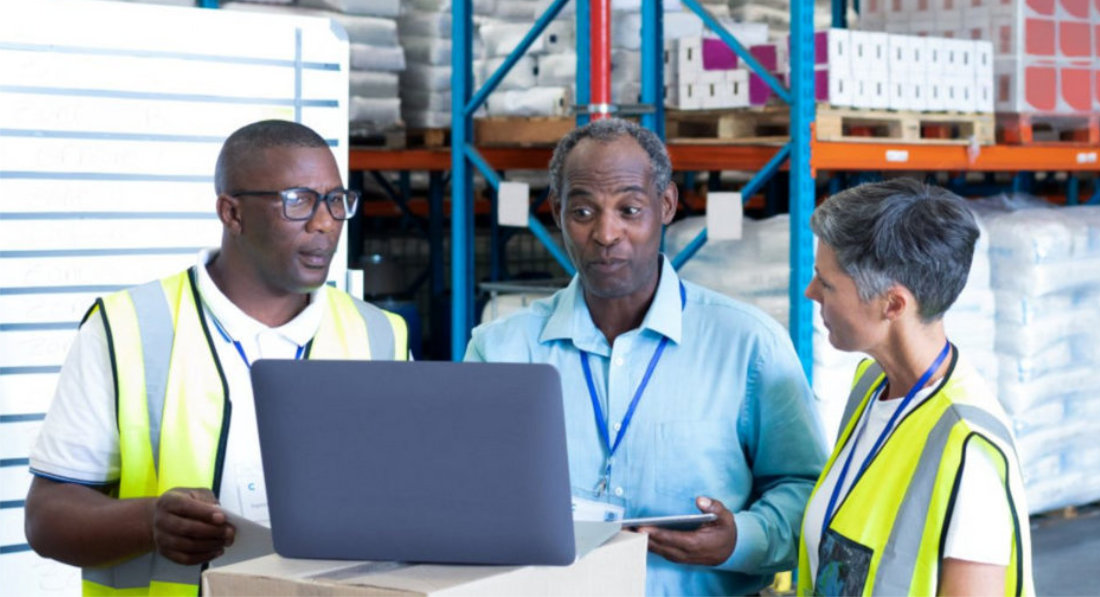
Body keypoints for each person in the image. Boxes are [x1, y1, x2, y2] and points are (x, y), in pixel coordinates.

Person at [24, 120, 409, 596]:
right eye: (299, 200)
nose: (325, 222)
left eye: (336, 200)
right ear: (232, 213)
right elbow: (46, 518)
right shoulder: (128, 327)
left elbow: (409, 502)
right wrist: (148, 521)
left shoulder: (380, 335)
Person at [465, 118, 827, 596]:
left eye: (630, 209)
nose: (606, 233)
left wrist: (740, 539)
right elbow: (463, 498)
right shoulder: (500, 352)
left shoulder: (748, 347)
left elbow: (806, 490)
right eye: (583, 212)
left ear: (667, 206)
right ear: (557, 213)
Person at [798, 179, 1034, 596]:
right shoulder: (871, 386)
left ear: (893, 304)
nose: (810, 292)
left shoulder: (968, 447)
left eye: (826, 283)